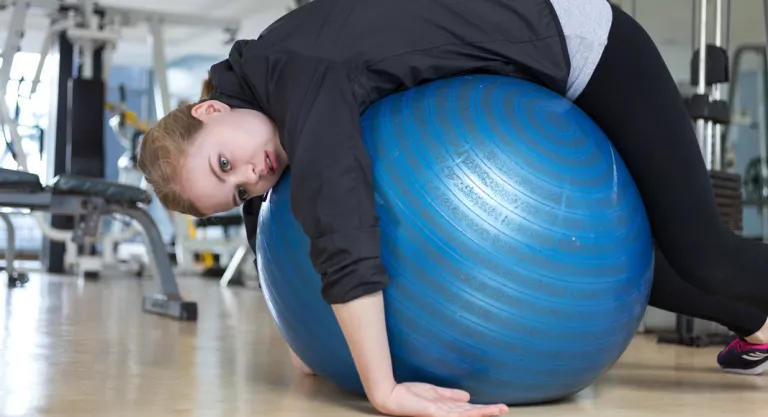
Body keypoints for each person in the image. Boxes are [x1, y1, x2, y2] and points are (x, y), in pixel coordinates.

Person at [137, 0, 768, 415]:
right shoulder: (252, 96)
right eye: (236, 188)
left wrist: (382, 389)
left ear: (211, 109)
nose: (253, 174)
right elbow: (265, 213)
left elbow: (341, 212)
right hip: (523, 68)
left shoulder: (296, 78)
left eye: (227, 162)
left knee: (702, 251)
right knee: (586, 261)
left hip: (581, 44)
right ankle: (758, 324)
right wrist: (300, 322)